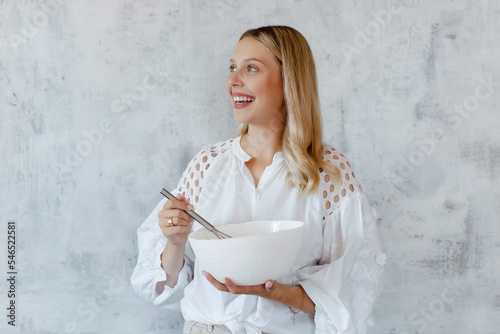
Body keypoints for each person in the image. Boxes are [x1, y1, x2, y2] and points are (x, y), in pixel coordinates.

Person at [131, 25, 385, 334]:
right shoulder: (208, 164)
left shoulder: (329, 173)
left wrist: (278, 293)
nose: (232, 81)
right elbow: (160, 285)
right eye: (232, 68)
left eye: (251, 68)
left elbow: (354, 294)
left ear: (288, 80)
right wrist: (175, 240)